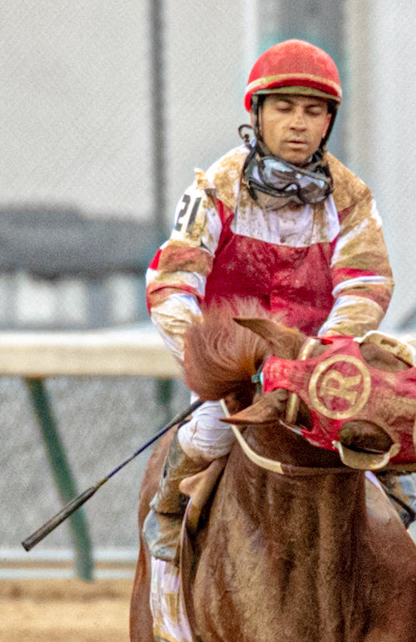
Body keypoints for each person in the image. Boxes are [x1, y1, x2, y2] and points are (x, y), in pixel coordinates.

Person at [144, 38, 401, 558]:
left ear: (329, 121)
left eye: (313, 111)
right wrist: (213, 361)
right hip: (239, 375)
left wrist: (319, 358)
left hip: (316, 368)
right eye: (284, 108)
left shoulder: (352, 197)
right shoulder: (215, 186)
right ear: (257, 114)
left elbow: (366, 285)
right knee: (209, 434)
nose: (299, 124)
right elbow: (172, 283)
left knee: (389, 464)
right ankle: (168, 512)